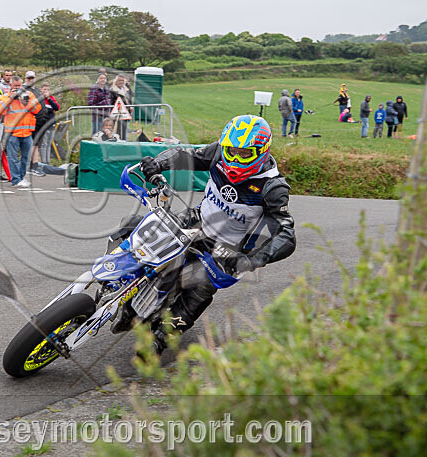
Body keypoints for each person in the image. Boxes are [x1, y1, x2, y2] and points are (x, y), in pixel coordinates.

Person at [134, 115, 295, 353]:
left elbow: (286, 235)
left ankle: (161, 338)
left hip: (228, 248)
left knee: (201, 287)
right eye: (232, 151)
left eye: (245, 153)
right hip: (197, 219)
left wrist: (251, 260)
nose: (236, 159)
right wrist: (158, 164)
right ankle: (115, 278)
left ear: (262, 151)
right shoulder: (218, 152)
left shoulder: (273, 186)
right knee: (140, 225)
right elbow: (185, 155)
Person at [0, 75, 41, 188]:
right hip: (12, 133)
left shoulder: (29, 95)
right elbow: (0, 110)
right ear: (10, 85)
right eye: (15, 86)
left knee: (26, 158)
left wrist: (26, 103)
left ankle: (21, 177)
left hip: (27, 132)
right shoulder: (5, 97)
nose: (18, 88)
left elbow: (37, 109)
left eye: (19, 86)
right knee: (13, 158)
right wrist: (11, 98)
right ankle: (16, 180)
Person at [23, 71, 49, 177]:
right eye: (28, 78)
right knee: (32, 144)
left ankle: (34, 165)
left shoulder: (37, 89)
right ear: (25, 79)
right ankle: (32, 165)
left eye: (32, 78)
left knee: (36, 144)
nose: (30, 80)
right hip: (32, 120)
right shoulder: (25, 90)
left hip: (41, 120)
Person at [37, 82, 60, 165]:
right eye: (44, 89)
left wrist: (49, 99)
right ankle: (43, 162)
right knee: (44, 143)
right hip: (43, 124)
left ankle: (47, 162)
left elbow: (56, 107)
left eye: (48, 90)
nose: (46, 91)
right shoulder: (40, 99)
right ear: (41, 90)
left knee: (49, 143)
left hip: (51, 123)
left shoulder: (51, 98)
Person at [109, 74, 134, 141]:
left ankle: (124, 141)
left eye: (122, 80)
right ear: (116, 81)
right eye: (119, 80)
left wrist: (131, 105)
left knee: (125, 129)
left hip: (126, 112)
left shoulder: (126, 89)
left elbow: (130, 98)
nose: (121, 82)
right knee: (117, 130)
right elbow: (111, 101)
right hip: (117, 113)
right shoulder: (112, 90)